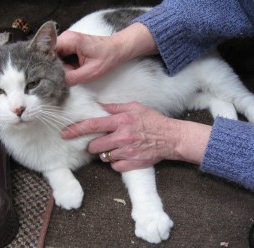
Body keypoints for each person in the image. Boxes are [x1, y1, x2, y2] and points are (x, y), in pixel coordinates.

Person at [57, 0, 254, 191]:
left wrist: (179, 139)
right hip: (173, 78)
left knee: (229, 89)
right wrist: (119, 45)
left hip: (190, 76)